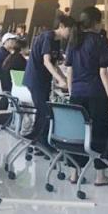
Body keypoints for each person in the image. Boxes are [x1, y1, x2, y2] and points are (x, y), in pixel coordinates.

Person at [65, 7, 108, 185]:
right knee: (100, 133)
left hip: (77, 94)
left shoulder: (74, 41)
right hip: (96, 94)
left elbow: (69, 70)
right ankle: (100, 176)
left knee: (77, 133)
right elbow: (104, 72)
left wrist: (71, 93)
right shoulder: (99, 41)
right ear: (96, 22)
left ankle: (74, 173)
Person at [23, 15, 75, 145]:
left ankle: (35, 137)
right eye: (69, 29)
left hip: (44, 80)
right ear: (61, 26)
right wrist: (60, 80)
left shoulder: (57, 41)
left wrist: (64, 79)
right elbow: (46, 62)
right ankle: (42, 142)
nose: (71, 33)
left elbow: (54, 64)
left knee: (43, 110)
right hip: (36, 79)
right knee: (45, 111)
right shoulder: (48, 37)